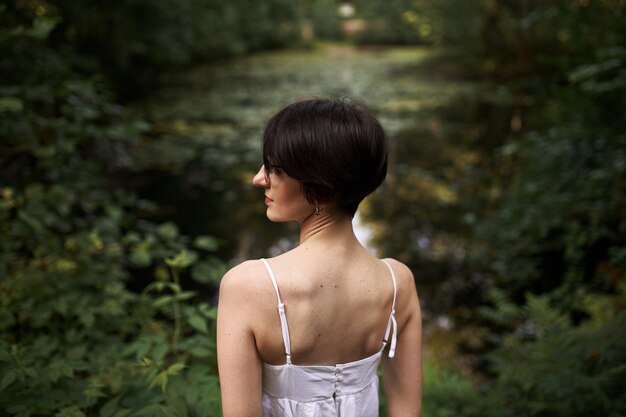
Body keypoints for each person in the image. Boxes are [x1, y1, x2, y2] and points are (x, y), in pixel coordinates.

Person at [217, 98, 422, 417]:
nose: (259, 178)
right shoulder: (398, 283)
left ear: (322, 190)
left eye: (275, 169)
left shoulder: (249, 287)